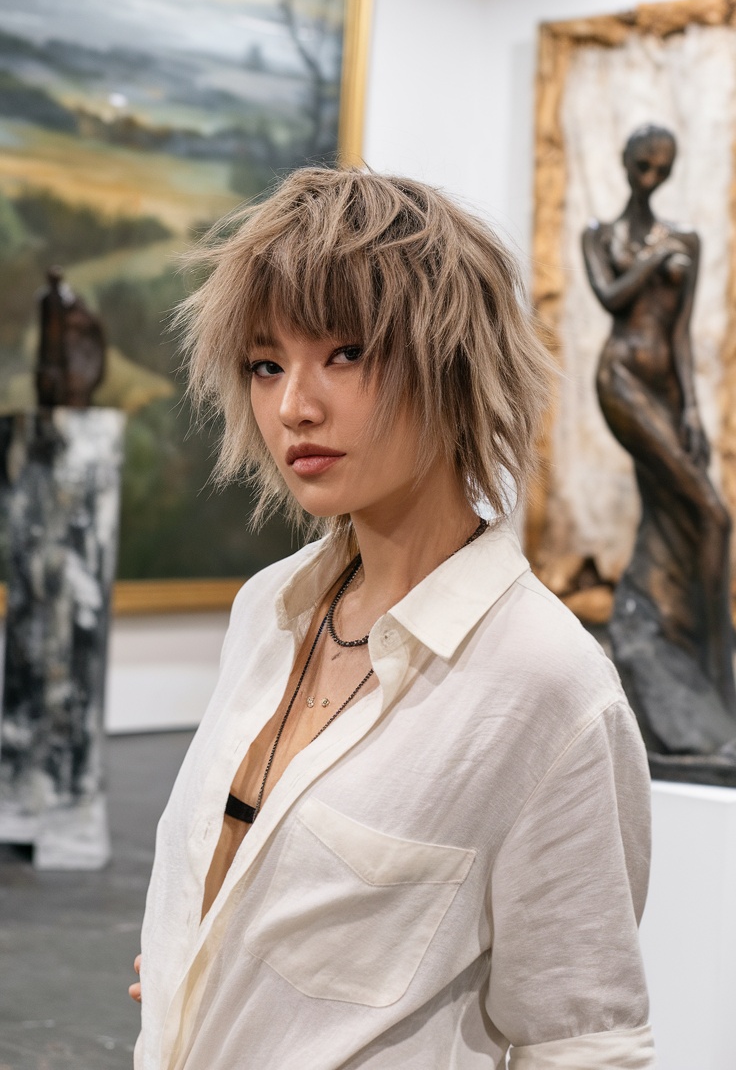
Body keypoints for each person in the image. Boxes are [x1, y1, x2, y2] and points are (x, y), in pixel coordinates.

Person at [131, 168, 654, 1069]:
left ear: (453, 363)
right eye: (266, 364)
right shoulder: (269, 610)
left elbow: (586, 1044)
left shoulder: (545, 686)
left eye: (345, 354)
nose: (294, 405)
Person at [582, 125, 736, 753]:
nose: (651, 174)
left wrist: (695, 411)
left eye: (662, 167)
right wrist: (651, 259)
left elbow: (679, 336)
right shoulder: (601, 235)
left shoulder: (689, 242)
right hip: (619, 379)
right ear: (625, 162)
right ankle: (714, 671)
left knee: (685, 516)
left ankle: (699, 666)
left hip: (667, 389)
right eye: (643, 163)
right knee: (714, 516)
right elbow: (610, 294)